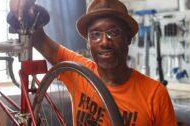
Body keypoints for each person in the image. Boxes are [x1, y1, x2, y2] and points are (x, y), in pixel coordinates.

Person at [10, 0, 177, 125]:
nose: (104, 42)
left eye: (114, 32)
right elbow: (40, 39)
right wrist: (23, 9)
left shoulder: (155, 94)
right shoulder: (79, 72)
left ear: (129, 38)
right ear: (88, 43)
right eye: (95, 34)